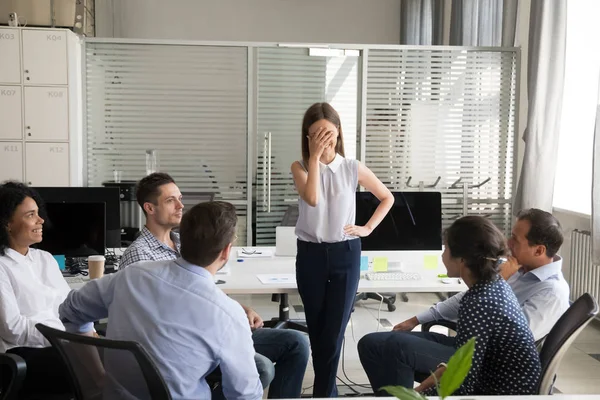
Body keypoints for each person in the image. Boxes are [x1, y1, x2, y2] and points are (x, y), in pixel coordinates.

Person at [120, 173, 309, 399]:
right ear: (149, 208)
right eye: (171, 201)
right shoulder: (139, 256)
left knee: (296, 342)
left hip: (209, 329)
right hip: (181, 345)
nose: (181, 206)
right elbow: (152, 319)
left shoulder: (182, 242)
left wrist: (238, 308)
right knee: (261, 367)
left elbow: (198, 288)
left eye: (180, 198)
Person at [60, 201, 263, 400]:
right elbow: (244, 394)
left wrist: (97, 381)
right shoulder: (228, 313)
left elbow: (70, 310)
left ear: (182, 239)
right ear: (226, 251)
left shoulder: (133, 275)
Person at [358, 216, 542, 396]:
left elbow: (463, 381)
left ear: (462, 259)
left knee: (390, 348)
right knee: (370, 344)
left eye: (445, 248)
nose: (442, 254)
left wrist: (417, 394)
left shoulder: (480, 302)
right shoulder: (491, 286)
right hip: (488, 371)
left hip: (502, 391)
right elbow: (459, 364)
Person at [291, 102, 394, 397]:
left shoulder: (351, 167)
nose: (325, 140)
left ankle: (324, 394)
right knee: (318, 327)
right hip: (310, 254)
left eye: (330, 133)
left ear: (339, 133)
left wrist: (367, 228)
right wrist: (314, 159)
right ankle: (327, 392)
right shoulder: (299, 167)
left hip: (345, 253)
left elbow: (386, 197)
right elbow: (311, 198)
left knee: (334, 332)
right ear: (307, 137)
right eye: (317, 134)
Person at [391, 208, 569, 341]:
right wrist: (416, 319)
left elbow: (515, 339)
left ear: (539, 250)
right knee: (391, 342)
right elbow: (469, 297)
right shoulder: (520, 269)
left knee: (390, 347)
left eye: (516, 239)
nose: (508, 242)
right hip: (472, 347)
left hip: (489, 364)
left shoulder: (551, 292)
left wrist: (498, 283)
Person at [0, 181, 79, 399]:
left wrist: (79, 332)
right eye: (30, 215)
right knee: (96, 365)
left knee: (119, 349)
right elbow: (12, 328)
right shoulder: (2, 266)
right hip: (23, 354)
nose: (41, 220)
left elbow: (68, 308)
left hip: (61, 344)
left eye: (38, 213)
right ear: (7, 223)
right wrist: (64, 336)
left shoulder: (45, 259)